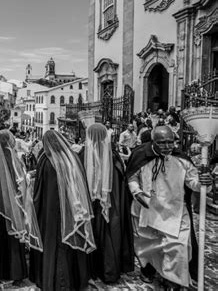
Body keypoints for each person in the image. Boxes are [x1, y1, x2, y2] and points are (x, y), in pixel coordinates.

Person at [125, 126, 213, 289]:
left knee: (178, 247)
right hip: (148, 210)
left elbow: (193, 182)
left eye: (170, 142)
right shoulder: (140, 155)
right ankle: (149, 271)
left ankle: (174, 280)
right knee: (150, 247)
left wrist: (204, 183)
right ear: (153, 142)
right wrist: (136, 192)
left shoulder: (183, 160)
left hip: (175, 211)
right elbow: (132, 176)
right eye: (162, 143)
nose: (167, 146)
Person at [29, 130, 94, 290]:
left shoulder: (45, 160)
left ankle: (53, 280)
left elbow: (40, 191)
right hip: (73, 210)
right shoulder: (72, 158)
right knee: (69, 247)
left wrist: (34, 209)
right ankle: (75, 279)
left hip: (50, 212)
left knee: (53, 245)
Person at [0, 130, 42, 282]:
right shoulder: (16, 159)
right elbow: (22, 183)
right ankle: (15, 271)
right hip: (14, 206)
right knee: (12, 236)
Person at [79, 123, 134, 283]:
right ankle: (107, 270)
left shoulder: (81, 155)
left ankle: (88, 270)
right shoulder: (114, 156)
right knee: (108, 235)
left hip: (87, 205)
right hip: (109, 205)